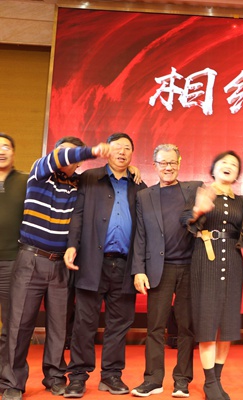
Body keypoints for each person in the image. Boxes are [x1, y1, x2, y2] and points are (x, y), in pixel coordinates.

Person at [0, 137, 111, 400]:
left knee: (59, 325)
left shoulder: (80, 184)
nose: (66, 158)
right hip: (30, 259)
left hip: (62, 263)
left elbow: (110, 179)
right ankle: (12, 383)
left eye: (73, 155)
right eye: (62, 153)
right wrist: (92, 150)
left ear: (79, 162)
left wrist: (134, 170)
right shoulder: (41, 172)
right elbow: (58, 158)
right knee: (19, 325)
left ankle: (55, 377)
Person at [63, 133, 147, 398]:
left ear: (132, 154)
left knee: (119, 325)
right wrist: (72, 245)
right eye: (117, 147)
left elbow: (143, 230)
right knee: (84, 323)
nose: (122, 152)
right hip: (91, 261)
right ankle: (78, 376)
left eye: (127, 148)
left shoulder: (139, 186)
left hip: (124, 265)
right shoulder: (89, 178)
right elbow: (77, 215)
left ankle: (111, 375)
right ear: (108, 151)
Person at [181, 150, 243, 400]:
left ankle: (216, 379)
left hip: (233, 263)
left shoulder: (241, 201)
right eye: (224, 162)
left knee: (227, 325)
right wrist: (198, 210)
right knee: (207, 322)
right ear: (213, 169)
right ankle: (210, 382)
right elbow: (185, 221)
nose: (229, 166)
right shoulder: (199, 192)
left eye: (234, 165)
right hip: (205, 260)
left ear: (238, 174)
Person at [130, 144, 200, 398]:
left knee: (186, 328)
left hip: (190, 268)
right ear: (155, 165)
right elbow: (140, 235)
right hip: (159, 269)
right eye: (163, 163)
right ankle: (153, 379)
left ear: (179, 163)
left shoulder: (194, 189)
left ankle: (182, 380)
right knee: (155, 327)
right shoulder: (144, 196)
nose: (168, 167)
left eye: (172, 162)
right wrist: (138, 270)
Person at [0, 132, 27, 382]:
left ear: (14, 152)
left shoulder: (26, 181)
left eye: (6, 146)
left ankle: (6, 377)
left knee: (11, 324)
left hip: (12, 262)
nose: (1, 151)